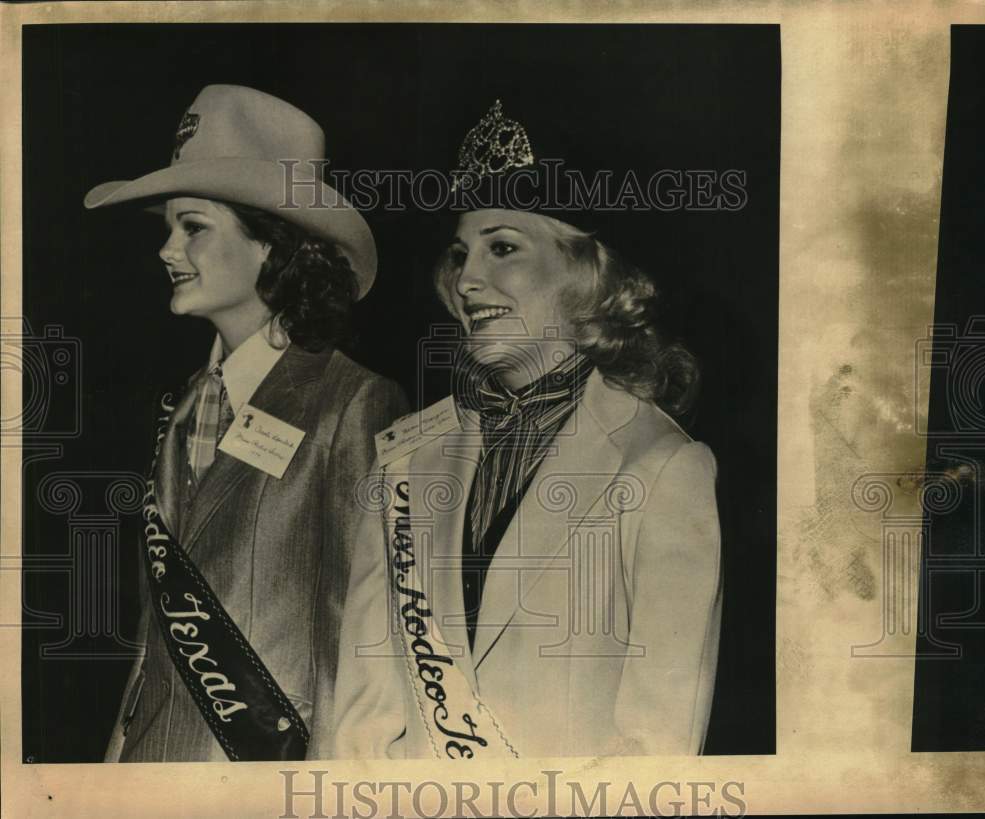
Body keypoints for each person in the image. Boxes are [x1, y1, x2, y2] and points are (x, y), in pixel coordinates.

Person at [318, 100, 722, 759]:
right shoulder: (404, 457)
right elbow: (361, 723)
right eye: (460, 253)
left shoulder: (662, 466)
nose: (468, 279)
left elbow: (656, 746)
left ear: (591, 275)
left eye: (503, 247)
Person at [84, 85, 408, 762]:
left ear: (271, 246)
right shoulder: (181, 405)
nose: (169, 250)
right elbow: (154, 636)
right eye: (167, 229)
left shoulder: (353, 402)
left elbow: (359, 639)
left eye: (193, 226)